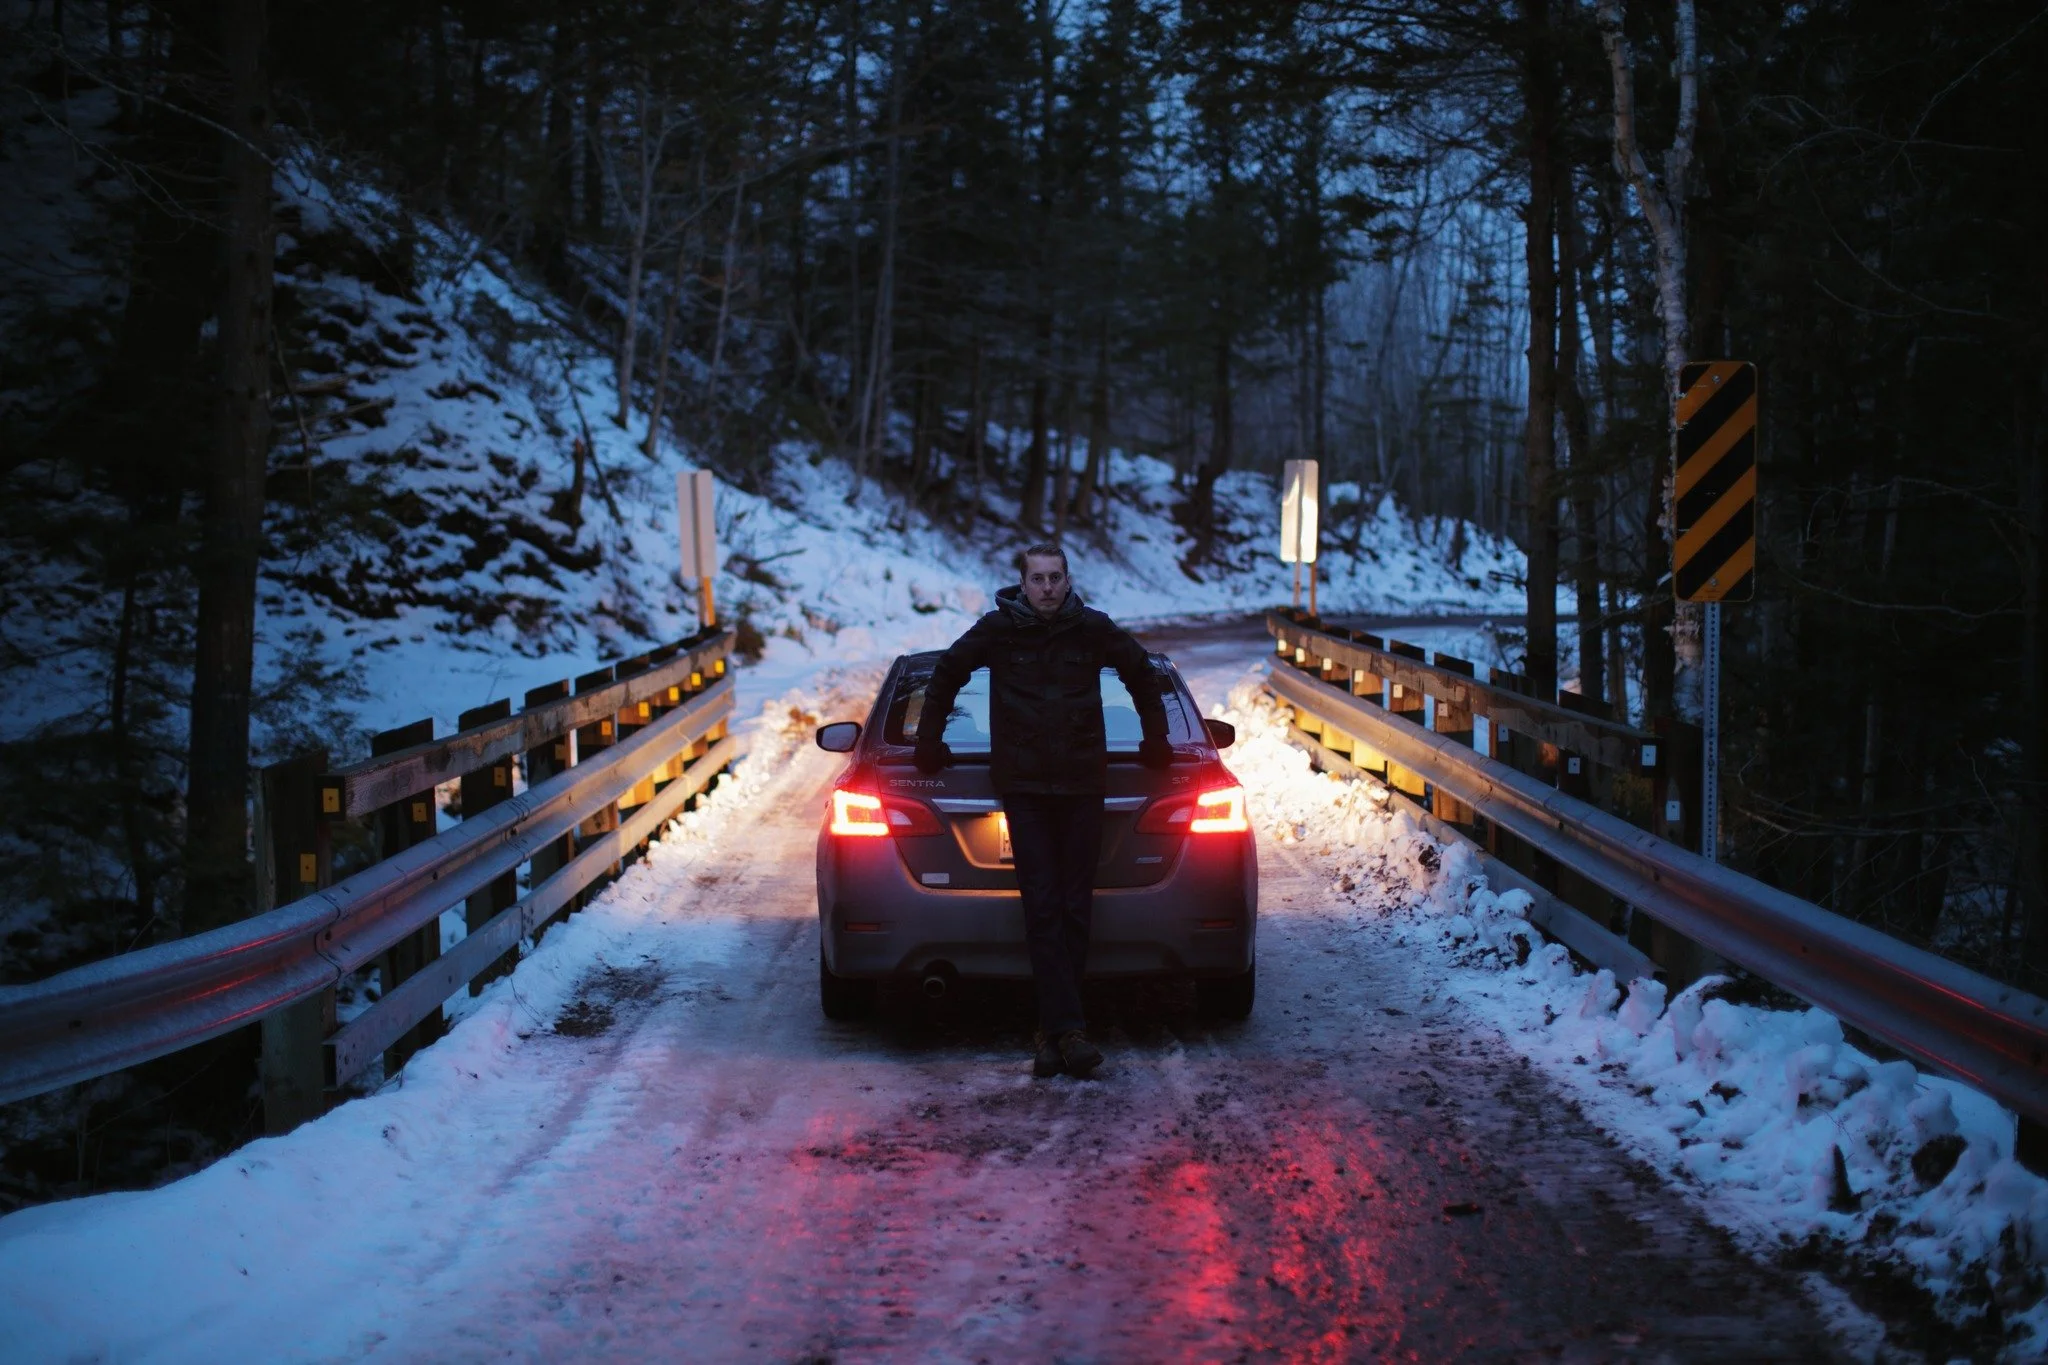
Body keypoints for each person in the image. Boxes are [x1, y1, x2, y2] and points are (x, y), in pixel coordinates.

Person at [915, 543, 1172, 1078]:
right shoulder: (998, 630)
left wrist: (1156, 738)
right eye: (1038, 579)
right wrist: (929, 739)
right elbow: (946, 674)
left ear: (1068, 579)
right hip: (1025, 788)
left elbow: (1143, 675)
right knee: (1043, 905)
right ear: (1023, 583)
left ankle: (1054, 1033)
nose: (1049, 588)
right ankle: (1070, 1030)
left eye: (1056, 578)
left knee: (1076, 906)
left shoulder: (1093, 628)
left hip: (1083, 785)